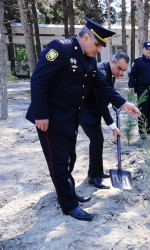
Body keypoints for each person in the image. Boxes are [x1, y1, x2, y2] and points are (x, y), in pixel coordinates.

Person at [26, 17, 141, 221]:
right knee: (59, 163)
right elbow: (38, 80)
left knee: (70, 158)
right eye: (97, 44)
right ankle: (69, 205)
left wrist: (123, 103)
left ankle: (68, 192)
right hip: (50, 119)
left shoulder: (90, 58)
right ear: (85, 36)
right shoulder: (59, 49)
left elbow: (101, 86)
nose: (98, 50)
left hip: (70, 117)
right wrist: (41, 115)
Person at [79, 52, 130, 189]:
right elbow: (101, 104)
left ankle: (98, 172)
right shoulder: (101, 72)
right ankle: (93, 177)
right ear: (112, 62)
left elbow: (107, 94)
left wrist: (113, 102)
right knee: (96, 140)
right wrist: (113, 126)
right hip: (85, 111)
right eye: (119, 68)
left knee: (98, 140)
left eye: (124, 70)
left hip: (93, 110)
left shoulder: (109, 71)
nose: (121, 73)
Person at [128, 41, 150, 139]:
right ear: (143, 49)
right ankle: (142, 132)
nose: (149, 51)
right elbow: (132, 75)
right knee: (142, 111)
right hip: (142, 90)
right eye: (147, 49)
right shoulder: (138, 61)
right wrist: (131, 87)